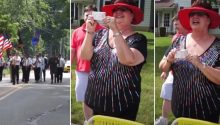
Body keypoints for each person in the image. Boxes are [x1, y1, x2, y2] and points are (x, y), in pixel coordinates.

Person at [80, 0, 147, 121]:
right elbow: (84, 56)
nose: (118, 12)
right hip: (92, 101)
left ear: (132, 15)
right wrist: (89, 32)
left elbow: (127, 60)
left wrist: (116, 30)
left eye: (124, 9)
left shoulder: (138, 39)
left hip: (122, 106)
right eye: (115, 10)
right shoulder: (100, 34)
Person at [159, 1, 220, 123]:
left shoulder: (218, 46)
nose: (195, 17)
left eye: (200, 14)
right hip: (179, 109)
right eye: (192, 14)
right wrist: (169, 61)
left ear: (209, 20)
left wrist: (200, 65)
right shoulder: (179, 41)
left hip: (207, 111)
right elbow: (162, 67)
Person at [71, 4, 105, 121]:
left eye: (92, 15)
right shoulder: (76, 32)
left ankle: (99, 118)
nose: (89, 18)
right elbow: (72, 51)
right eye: (87, 15)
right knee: (85, 98)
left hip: (100, 69)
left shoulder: (104, 31)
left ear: (96, 16)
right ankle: (88, 121)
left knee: (100, 96)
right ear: (83, 16)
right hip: (82, 69)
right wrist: (68, 69)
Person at [155, 15, 189, 125]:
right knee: (167, 92)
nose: (175, 27)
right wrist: (165, 70)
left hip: (190, 76)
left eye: (177, 24)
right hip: (174, 73)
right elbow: (165, 60)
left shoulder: (195, 39)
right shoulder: (177, 39)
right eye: (174, 24)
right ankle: (164, 119)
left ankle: (183, 120)